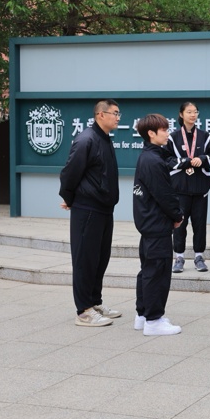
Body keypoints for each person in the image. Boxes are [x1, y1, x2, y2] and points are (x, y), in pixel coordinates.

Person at [59, 99, 122, 327]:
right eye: (115, 113)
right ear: (100, 114)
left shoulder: (104, 138)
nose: (118, 117)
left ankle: (95, 302)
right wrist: (69, 198)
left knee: (100, 258)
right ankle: (84, 311)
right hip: (88, 208)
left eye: (119, 114)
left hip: (104, 209)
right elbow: (70, 172)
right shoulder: (86, 139)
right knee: (85, 259)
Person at [132, 114, 185, 336]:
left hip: (149, 224)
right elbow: (165, 194)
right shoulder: (153, 161)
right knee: (157, 272)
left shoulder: (149, 156)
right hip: (156, 224)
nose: (167, 133)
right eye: (163, 130)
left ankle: (143, 315)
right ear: (151, 134)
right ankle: (153, 320)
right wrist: (177, 215)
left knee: (148, 270)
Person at [168, 102, 210, 274]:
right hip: (180, 189)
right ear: (181, 114)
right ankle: (179, 257)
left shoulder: (205, 136)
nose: (192, 115)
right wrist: (186, 161)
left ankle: (199, 256)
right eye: (189, 112)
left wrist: (202, 159)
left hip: (200, 189)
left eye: (195, 112)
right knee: (179, 225)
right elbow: (166, 160)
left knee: (200, 224)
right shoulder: (173, 137)